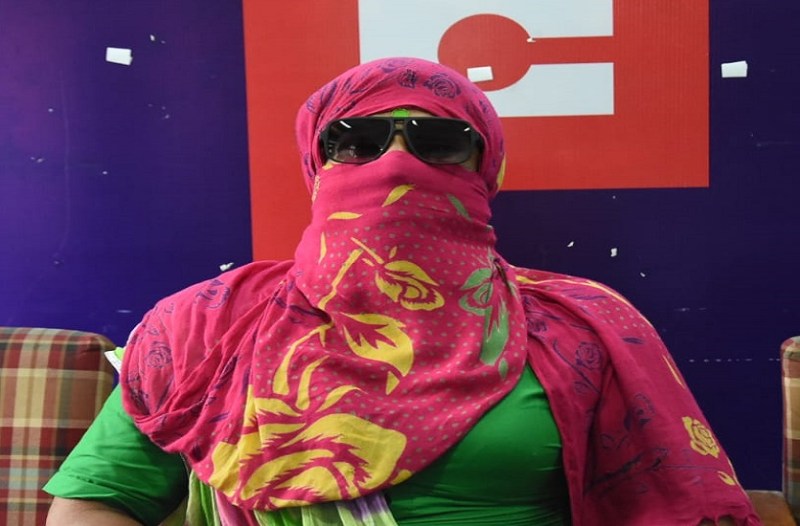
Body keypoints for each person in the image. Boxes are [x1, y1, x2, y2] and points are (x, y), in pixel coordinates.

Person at [45, 57, 761, 525]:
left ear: (485, 169)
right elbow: (95, 504)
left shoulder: (578, 326)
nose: (393, 162)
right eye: (355, 141)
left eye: (436, 141)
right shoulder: (209, 326)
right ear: (317, 165)